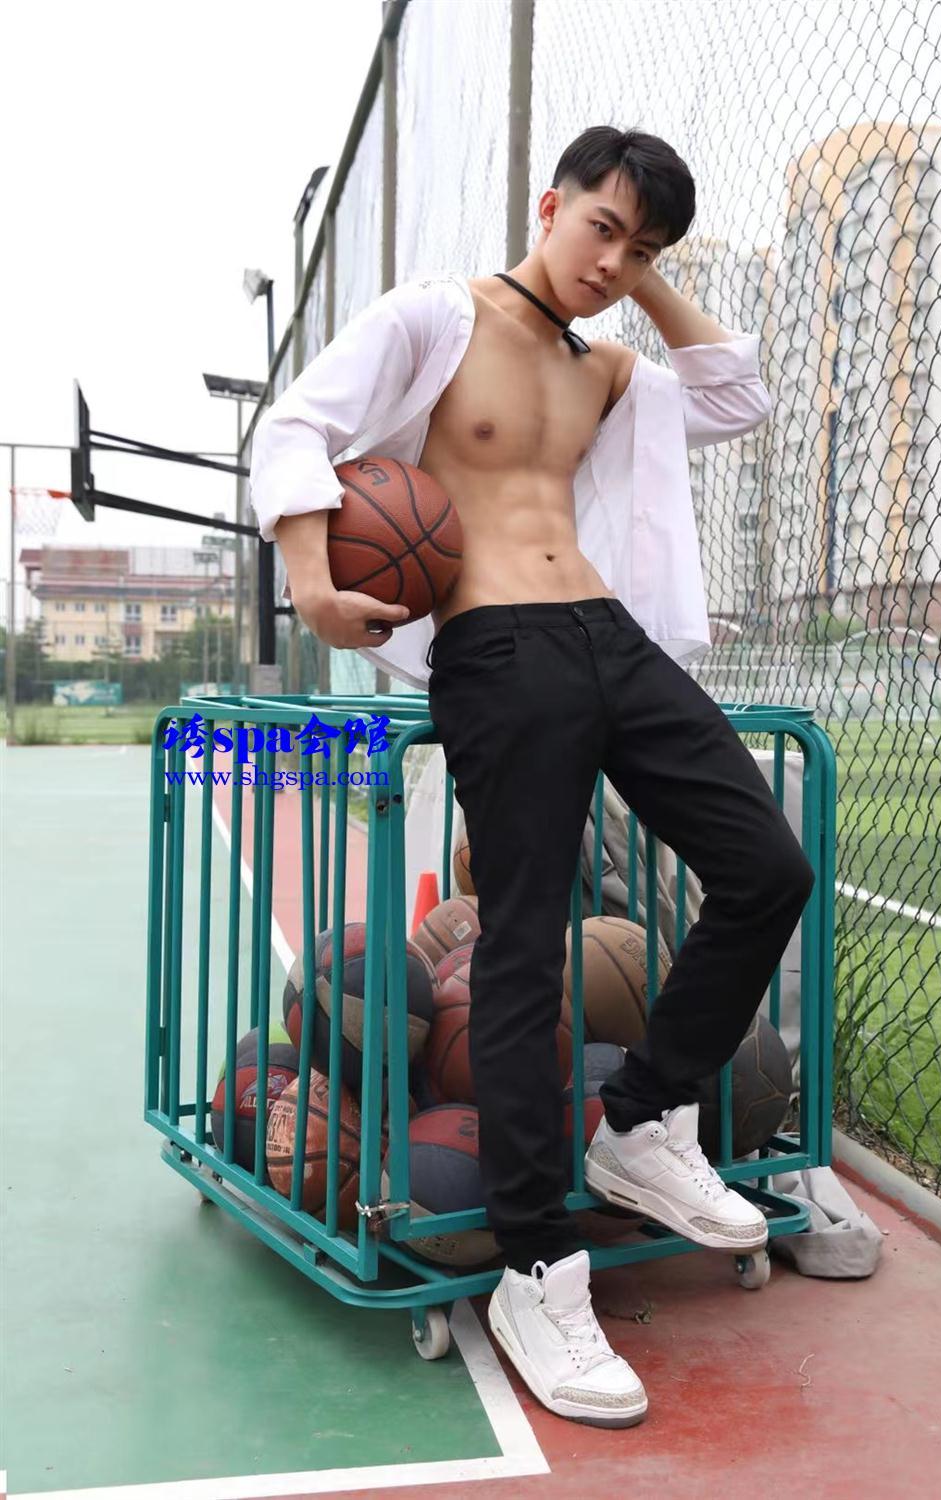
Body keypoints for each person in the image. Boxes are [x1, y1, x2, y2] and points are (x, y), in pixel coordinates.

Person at [249, 125, 815, 1430]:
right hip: (497, 647)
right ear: (549, 205)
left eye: (642, 249)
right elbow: (298, 423)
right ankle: (535, 1274)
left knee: (766, 868)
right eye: (601, 229)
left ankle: (640, 1121)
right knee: (521, 952)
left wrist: (647, 280)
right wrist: (313, 581)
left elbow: (736, 394)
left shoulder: (609, 367)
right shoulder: (435, 320)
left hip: (610, 636)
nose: (611, 263)